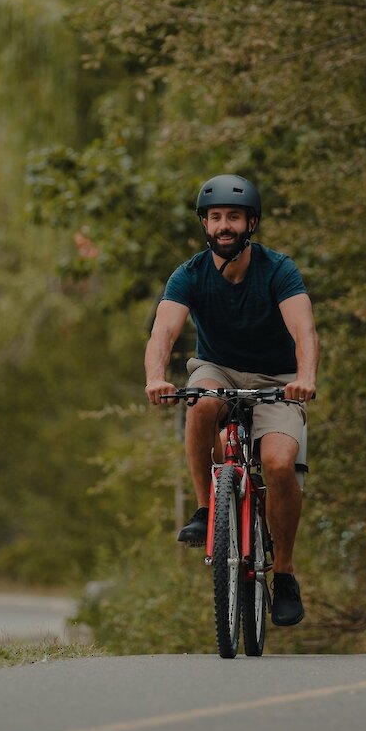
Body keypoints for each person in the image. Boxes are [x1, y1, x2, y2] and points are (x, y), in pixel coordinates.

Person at [145, 173, 319, 627]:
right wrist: (155, 379)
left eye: (234, 218)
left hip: (277, 378)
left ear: (251, 223)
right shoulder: (190, 274)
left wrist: (305, 377)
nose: (225, 226)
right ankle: (206, 511)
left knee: (280, 464)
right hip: (216, 369)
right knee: (200, 403)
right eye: (216, 217)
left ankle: (284, 573)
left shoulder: (278, 269)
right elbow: (164, 330)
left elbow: (303, 329)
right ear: (205, 224)